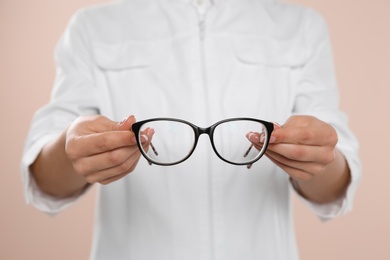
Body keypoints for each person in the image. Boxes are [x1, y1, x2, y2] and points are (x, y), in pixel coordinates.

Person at [21, 0, 361, 259]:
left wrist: (315, 156)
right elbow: (46, 180)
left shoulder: (301, 27)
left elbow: (333, 184)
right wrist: (72, 147)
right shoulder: (92, 27)